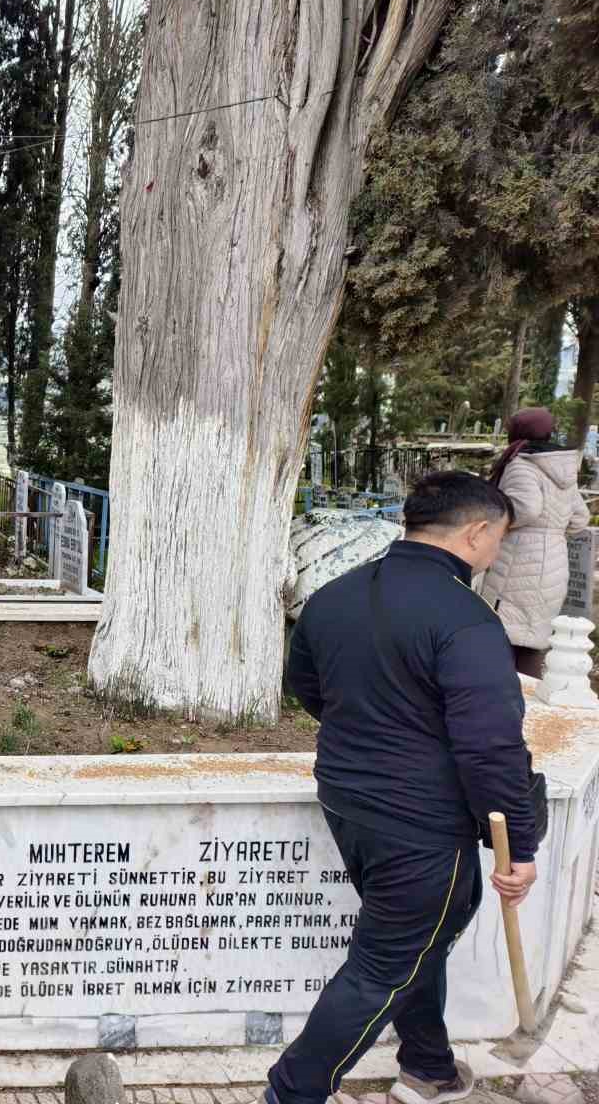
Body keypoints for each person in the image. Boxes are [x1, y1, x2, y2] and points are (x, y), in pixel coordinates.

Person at [267, 472, 540, 1104]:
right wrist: (519, 847)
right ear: (476, 532)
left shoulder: (334, 596)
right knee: (385, 965)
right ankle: (291, 1093)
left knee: (418, 941)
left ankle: (429, 1066)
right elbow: (491, 746)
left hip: (347, 800)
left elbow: (307, 687)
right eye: (499, 539)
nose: (496, 552)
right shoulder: (466, 619)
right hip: (421, 824)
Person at [477, 407, 590, 679]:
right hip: (554, 561)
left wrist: (494, 521)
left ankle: (499, 694)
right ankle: (528, 695)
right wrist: (551, 531)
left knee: (502, 633)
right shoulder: (560, 467)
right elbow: (580, 517)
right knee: (531, 636)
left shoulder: (522, 464)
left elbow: (526, 508)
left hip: (519, 559)